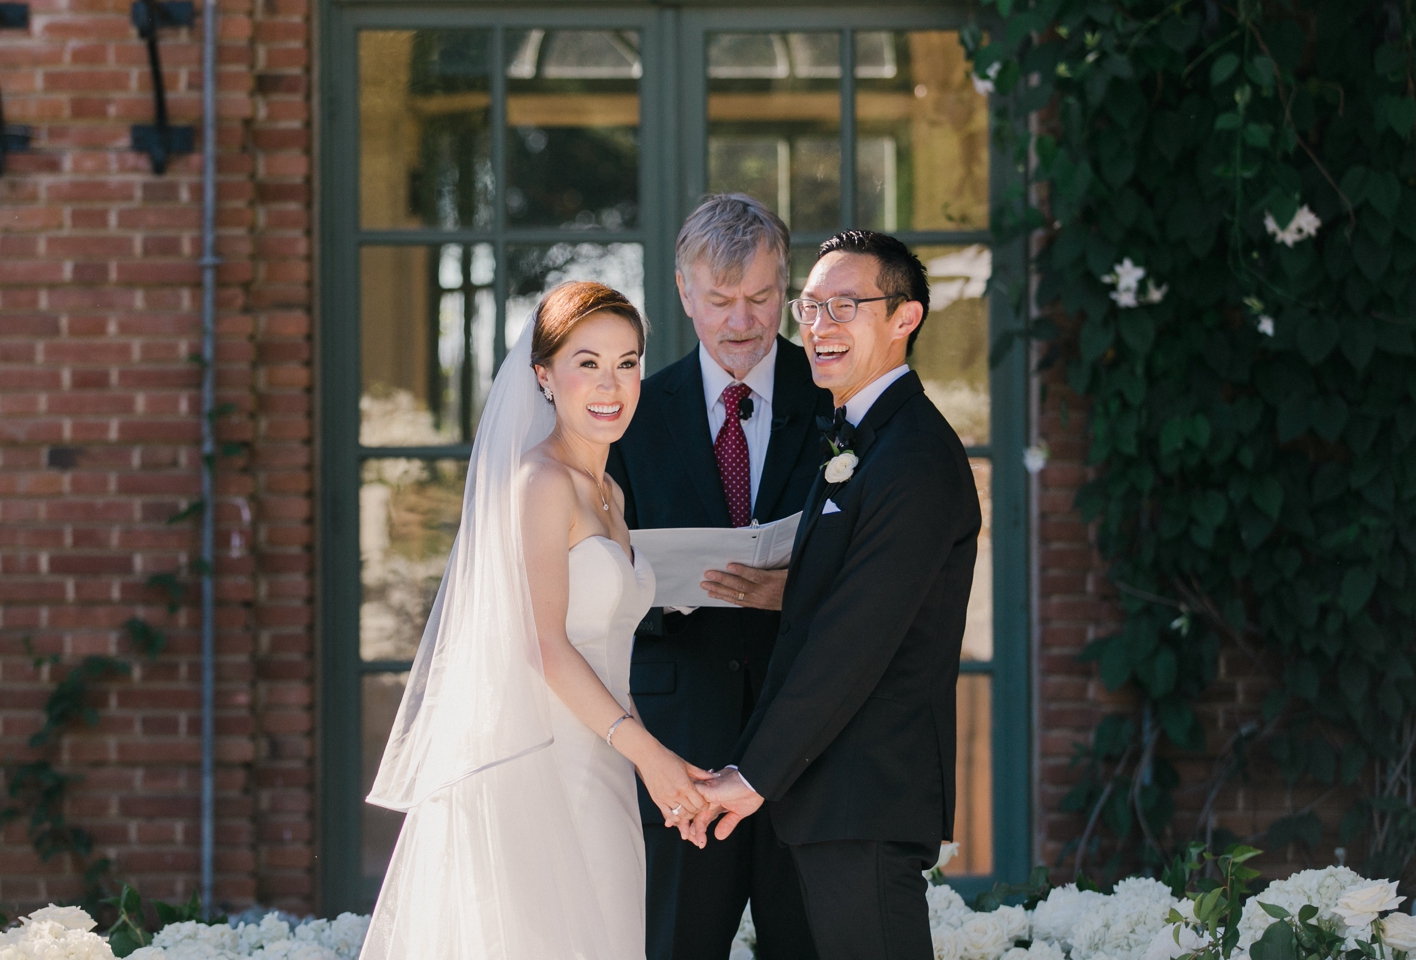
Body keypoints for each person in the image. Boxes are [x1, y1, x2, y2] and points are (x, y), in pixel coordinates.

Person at [360, 282, 709, 960]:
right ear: (543, 375)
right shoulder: (539, 481)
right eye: (588, 363)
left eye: (628, 362)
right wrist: (653, 758)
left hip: (602, 759)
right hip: (542, 766)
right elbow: (544, 646)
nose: (612, 384)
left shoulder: (609, 490)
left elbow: (602, 636)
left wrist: (657, 777)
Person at [695, 231, 983, 960]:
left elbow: (854, 640)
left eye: (844, 306)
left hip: (867, 797)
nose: (818, 327)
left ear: (904, 318)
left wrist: (752, 774)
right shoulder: (859, 437)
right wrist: (782, 594)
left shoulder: (913, 455)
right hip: (827, 797)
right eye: (810, 306)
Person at [607, 195, 824, 960]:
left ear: (787, 290)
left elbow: (876, 569)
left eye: (763, 299)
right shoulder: (632, 411)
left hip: (806, 740)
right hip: (681, 747)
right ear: (682, 293)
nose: (743, 322)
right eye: (722, 301)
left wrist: (790, 589)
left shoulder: (832, 401)